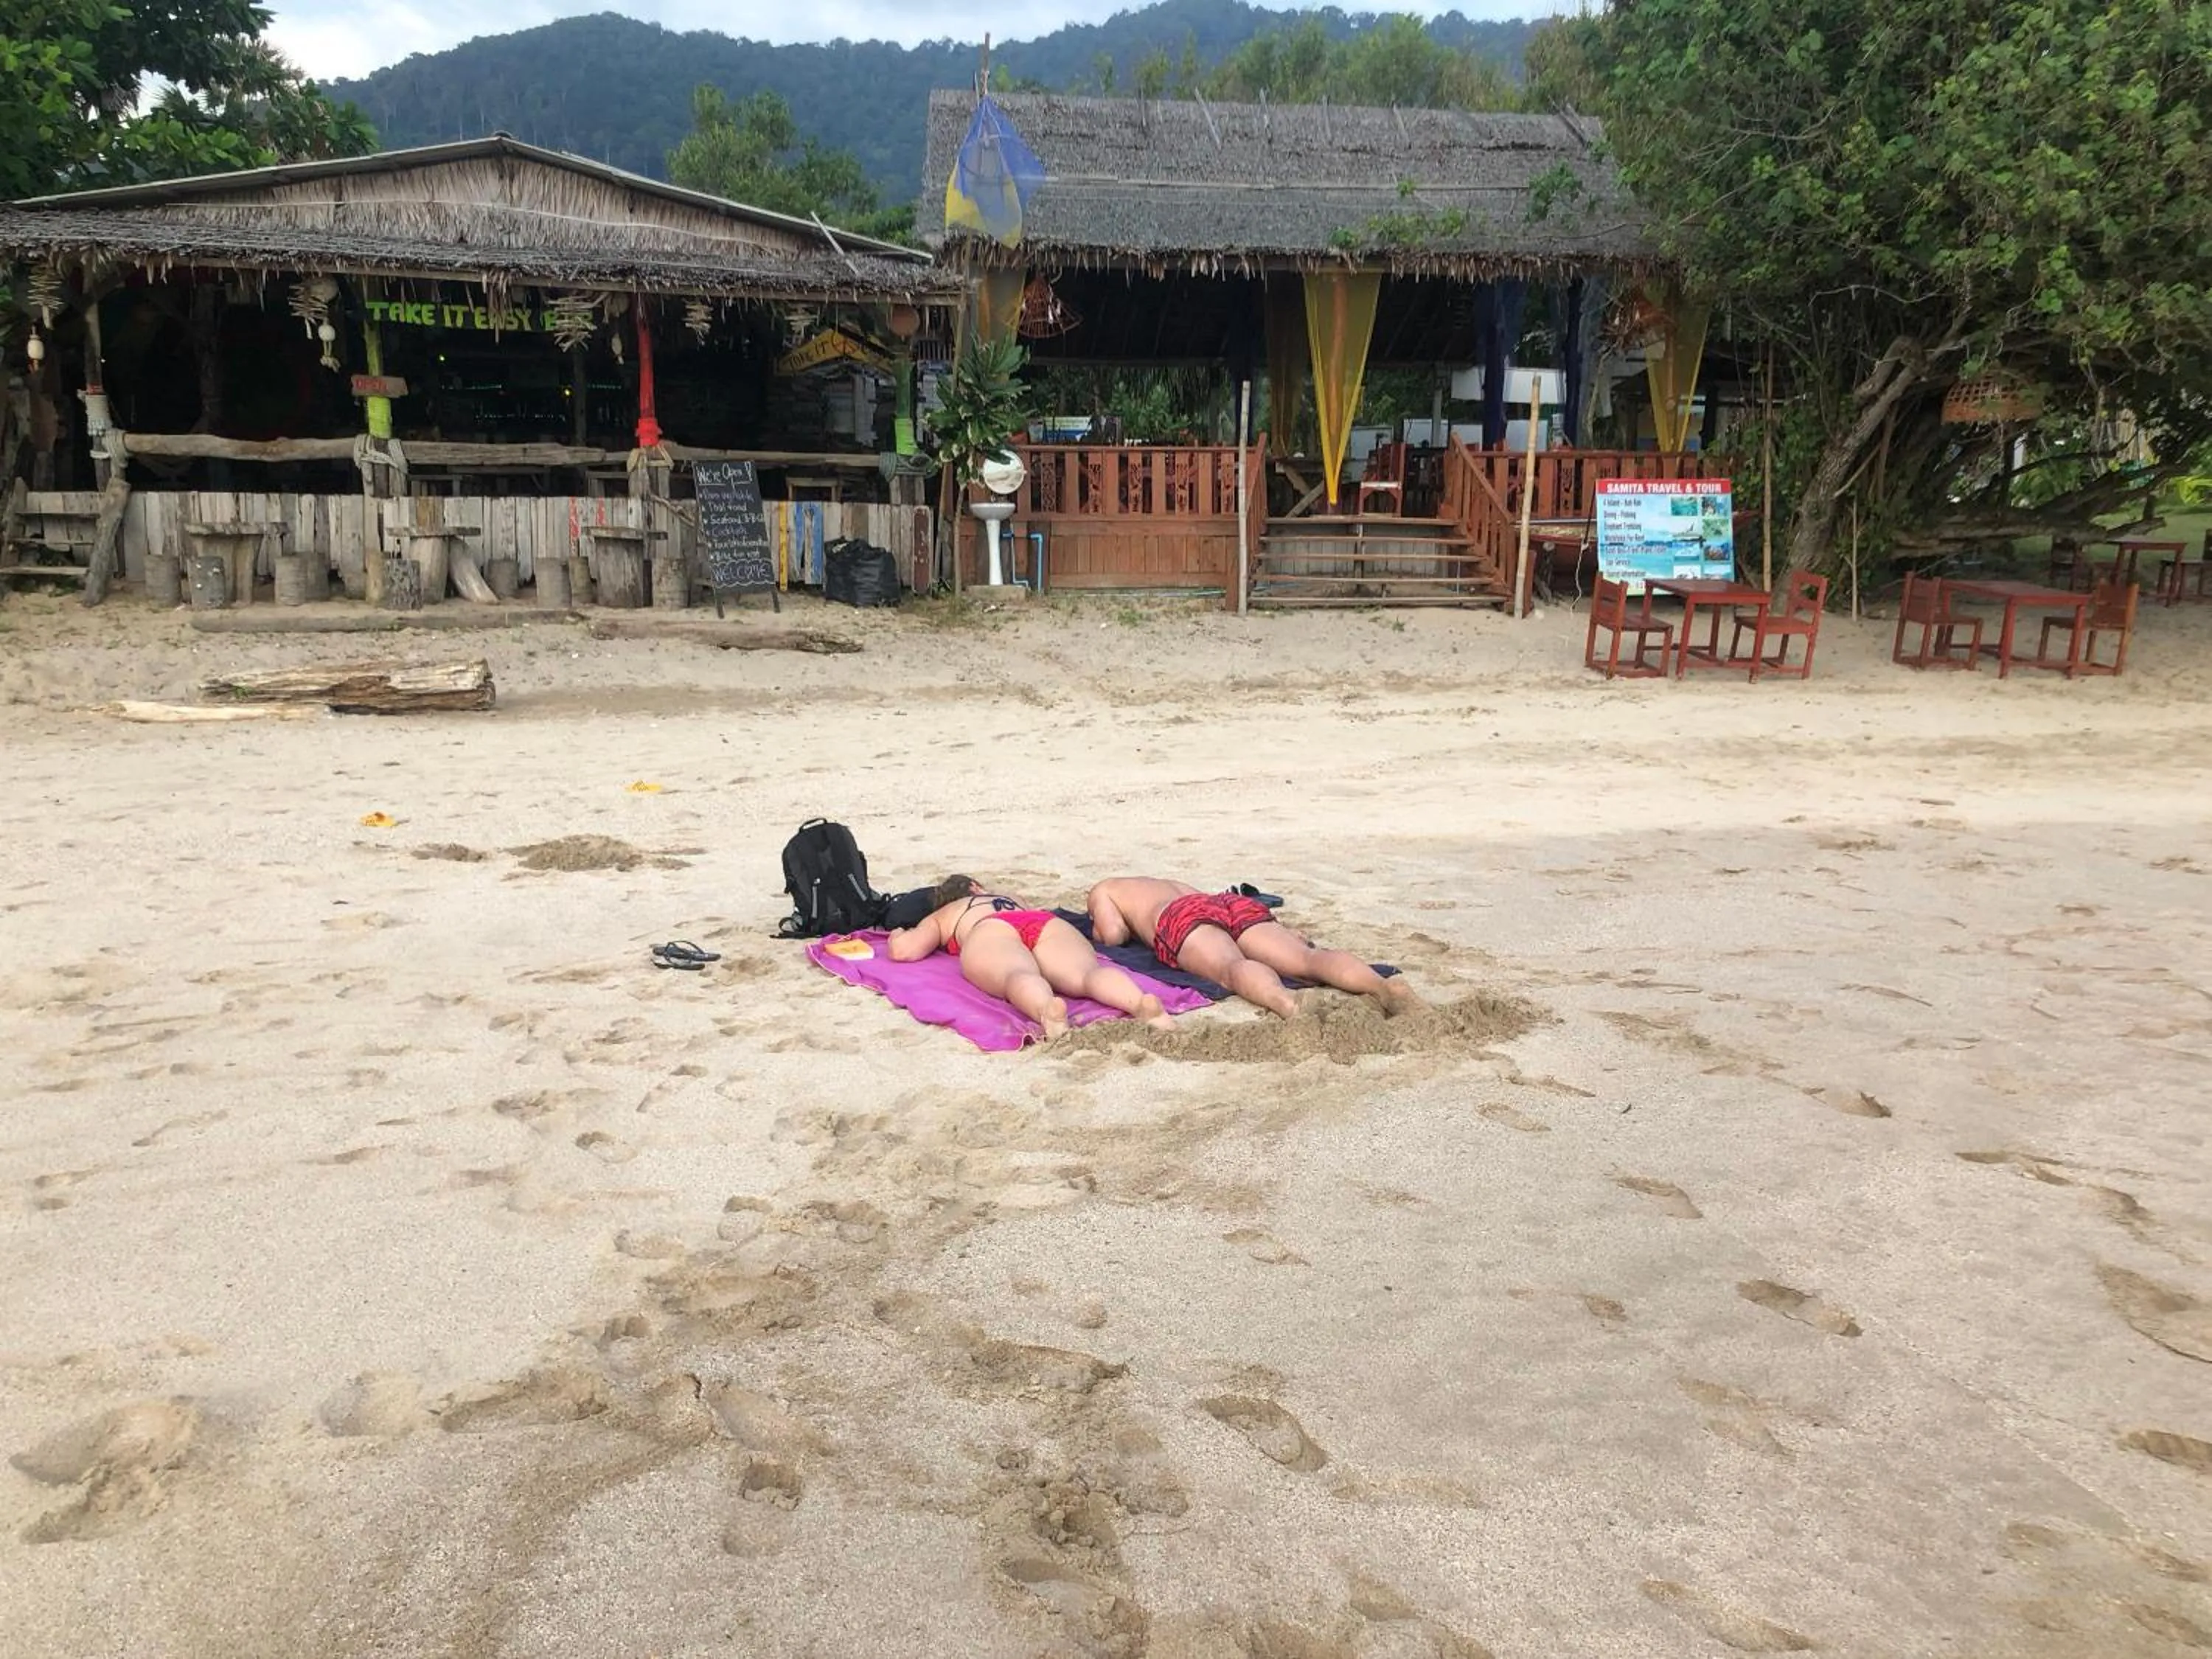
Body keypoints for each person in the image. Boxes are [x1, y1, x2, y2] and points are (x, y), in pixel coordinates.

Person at [1086, 877, 1419, 1020]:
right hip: (1224, 902)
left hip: (1180, 917)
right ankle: (1383, 988)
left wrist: (1098, 929)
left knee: (1230, 967)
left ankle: (1287, 1004)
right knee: (1307, 958)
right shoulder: (1163, 881)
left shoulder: (1105, 888)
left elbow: (1113, 934)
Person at [888, 875, 1172, 1040]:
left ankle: (1048, 1010)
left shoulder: (947, 914)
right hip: (1041, 921)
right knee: (1087, 974)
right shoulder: (1009, 897)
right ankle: (1140, 1004)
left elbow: (907, 951)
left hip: (989, 929)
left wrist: (897, 935)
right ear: (976, 886)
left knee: (1017, 975)